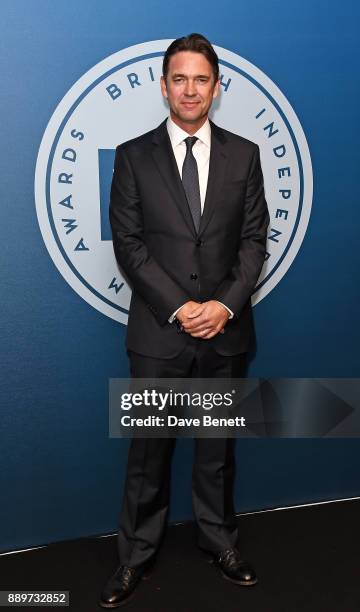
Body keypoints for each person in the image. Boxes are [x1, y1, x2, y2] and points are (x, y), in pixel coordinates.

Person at [100, 33, 269, 608]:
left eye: (201, 79)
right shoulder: (132, 155)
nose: (190, 89)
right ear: (163, 85)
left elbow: (252, 243)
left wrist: (222, 306)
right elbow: (129, 245)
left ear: (216, 88)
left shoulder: (245, 155)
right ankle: (134, 558)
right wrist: (180, 307)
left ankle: (220, 541)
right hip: (158, 334)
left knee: (217, 450)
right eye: (179, 78)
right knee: (148, 453)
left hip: (225, 332)